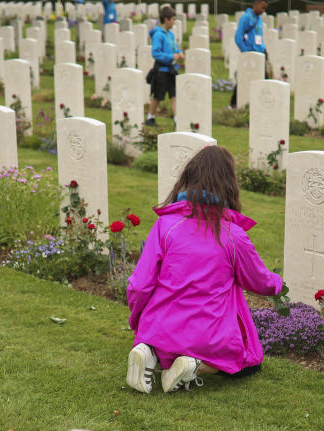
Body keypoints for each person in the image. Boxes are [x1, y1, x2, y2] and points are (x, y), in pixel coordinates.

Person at [125, 146, 284, 394]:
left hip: (159, 328)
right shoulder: (233, 235)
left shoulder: (165, 225)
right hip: (211, 335)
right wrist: (278, 283)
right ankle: (194, 366)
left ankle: (150, 351)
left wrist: (138, 320)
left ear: (187, 178)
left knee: (164, 340)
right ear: (229, 184)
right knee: (247, 361)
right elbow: (259, 281)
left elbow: (139, 284)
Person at [146, 5, 183, 126]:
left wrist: (179, 53)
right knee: (158, 96)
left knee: (175, 95)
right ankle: (150, 117)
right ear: (166, 19)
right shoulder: (158, 35)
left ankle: (177, 120)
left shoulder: (171, 35)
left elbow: (175, 48)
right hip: (161, 70)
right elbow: (155, 53)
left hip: (172, 70)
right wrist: (171, 57)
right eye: (173, 19)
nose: (174, 22)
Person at [230, 0, 268, 109]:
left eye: (265, 9)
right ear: (256, 3)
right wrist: (246, 51)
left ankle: (260, 103)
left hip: (261, 53)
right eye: (262, 7)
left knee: (263, 79)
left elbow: (258, 36)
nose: (263, 11)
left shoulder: (259, 18)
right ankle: (233, 103)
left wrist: (264, 49)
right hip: (251, 54)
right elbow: (238, 37)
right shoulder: (246, 18)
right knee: (244, 78)